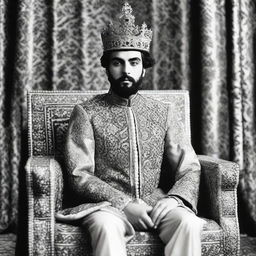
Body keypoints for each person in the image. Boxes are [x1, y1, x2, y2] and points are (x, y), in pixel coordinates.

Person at [62, 2, 206, 256]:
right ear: (107, 67)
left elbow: (190, 168)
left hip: (157, 202)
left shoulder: (164, 112)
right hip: (107, 208)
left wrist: (174, 200)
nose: (126, 70)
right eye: (118, 63)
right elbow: (79, 174)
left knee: (188, 223)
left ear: (143, 67)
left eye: (134, 62)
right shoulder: (86, 112)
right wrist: (124, 203)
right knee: (106, 226)